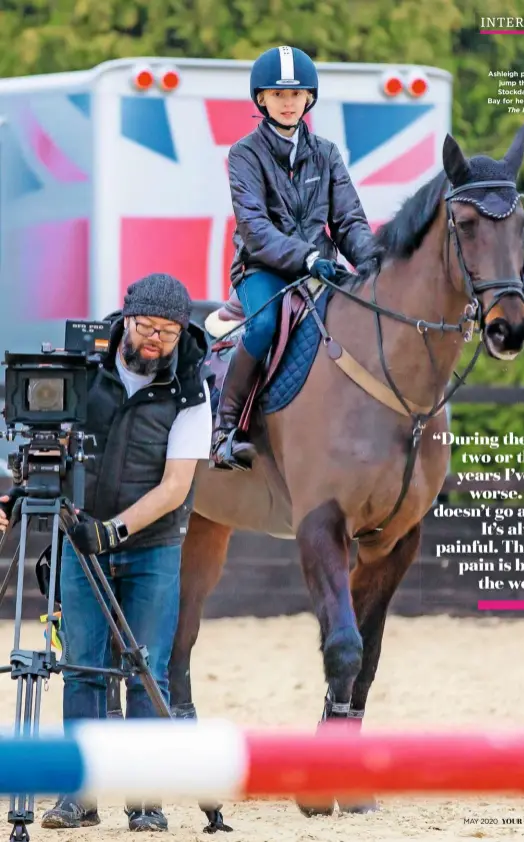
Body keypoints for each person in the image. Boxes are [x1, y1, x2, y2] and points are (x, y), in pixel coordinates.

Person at [0, 273, 212, 832]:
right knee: (82, 670)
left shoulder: (193, 384)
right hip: (78, 538)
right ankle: (81, 796)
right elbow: (41, 438)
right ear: (127, 318)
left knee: (145, 672)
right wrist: (17, 486)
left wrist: (112, 533)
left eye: (168, 331)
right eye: (146, 327)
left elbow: (175, 487)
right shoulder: (81, 368)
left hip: (151, 547)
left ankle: (144, 801)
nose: (156, 341)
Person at [210, 45, 382, 471]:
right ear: (262, 100)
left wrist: (377, 263)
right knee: (265, 324)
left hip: (321, 268)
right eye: (277, 94)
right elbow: (255, 228)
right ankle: (225, 429)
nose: (288, 103)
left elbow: (348, 221)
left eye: (296, 94)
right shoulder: (244, 155)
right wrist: (306, 258)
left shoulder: (326, 153)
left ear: (309, 99)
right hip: (263, 268)